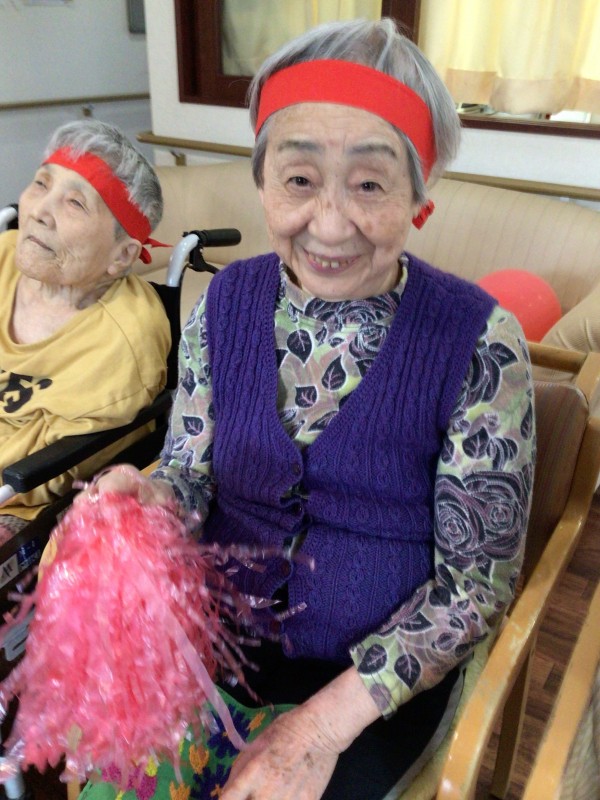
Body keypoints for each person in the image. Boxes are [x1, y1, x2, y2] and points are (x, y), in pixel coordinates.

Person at [72, 18, 535, 800]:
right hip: (212, 646)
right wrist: (148, 499)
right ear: (262, 183)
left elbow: (473, 589)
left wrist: (319, 729)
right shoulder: (225, 301)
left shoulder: (480, 340)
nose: (329, 223)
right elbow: (189, 472)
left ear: (419, 197)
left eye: (369, 184)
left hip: (376, 687)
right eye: (298, 179)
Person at [0, 120, 170, 537]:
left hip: (20, 506)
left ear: (121, 256)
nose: (38, 211)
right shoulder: (4, 255)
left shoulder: (124, 338)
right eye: (41, 184)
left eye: (75, 203)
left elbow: (49, 473)